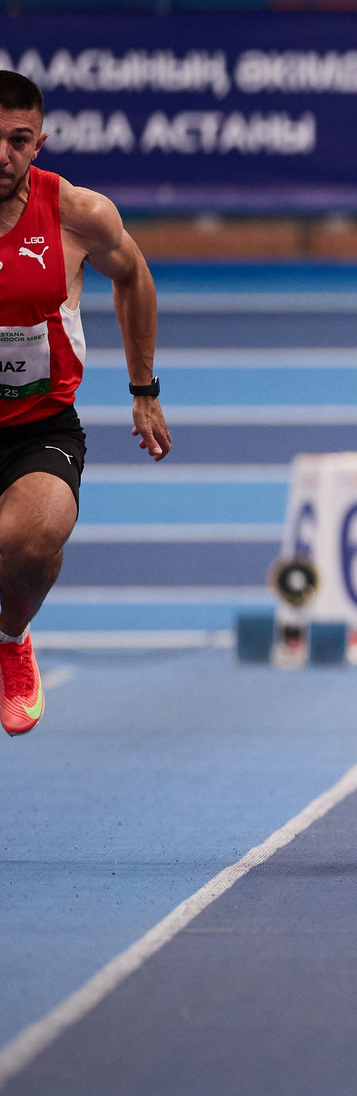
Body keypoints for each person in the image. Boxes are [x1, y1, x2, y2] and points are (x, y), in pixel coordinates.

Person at [0, 71, 171, 737]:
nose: (3, 155)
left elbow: (133, 275)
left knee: (34, 539)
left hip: (39, 428)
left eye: (18, 140)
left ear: (39, 141)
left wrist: (144, 390)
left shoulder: (76, 214)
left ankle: (12, 639)